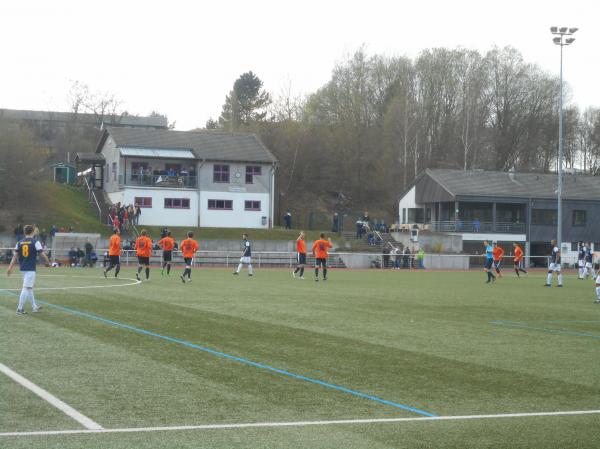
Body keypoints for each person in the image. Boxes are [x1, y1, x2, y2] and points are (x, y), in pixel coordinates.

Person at [7, 224, 50, 314]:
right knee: (26, 287)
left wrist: (10, 267)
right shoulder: (35, 242)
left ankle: (34, 306)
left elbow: (15, 256)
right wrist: (47, 261)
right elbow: (42, 253)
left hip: (23, 268)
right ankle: (20, 309)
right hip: (30, 268)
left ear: (24, 232)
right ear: (32, 232)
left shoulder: (19, 242)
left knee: (29, 288)